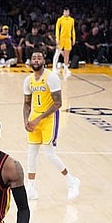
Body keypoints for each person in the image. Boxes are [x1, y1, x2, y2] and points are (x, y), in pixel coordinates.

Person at [23, 50, 80, 200]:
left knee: (49, 155)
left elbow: (58, 103)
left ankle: (72, 181)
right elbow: (26, 104)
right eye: (34, 57)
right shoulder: (28, 80)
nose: (36, 60)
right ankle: (31, 187)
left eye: (39, 58)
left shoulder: (51, 77)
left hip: (49, 118)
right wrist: (26, 121)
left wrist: (38, 119)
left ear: (44, 61)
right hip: (34, 118)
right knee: (31, 153)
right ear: (30, 61)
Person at [52, 7, 76, 73]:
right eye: (65, 11)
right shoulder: (60, 19)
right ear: (63, 12)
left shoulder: (72, 20)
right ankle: (54, 67)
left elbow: (72, 30)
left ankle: (66, 68)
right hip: (61, 38)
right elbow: (57, 29)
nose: (66, 13)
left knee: (67, 54)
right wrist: (57, 38)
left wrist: (74, 38)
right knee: (57, 53)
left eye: (67, 11)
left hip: (68, 38)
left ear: (69, 12)